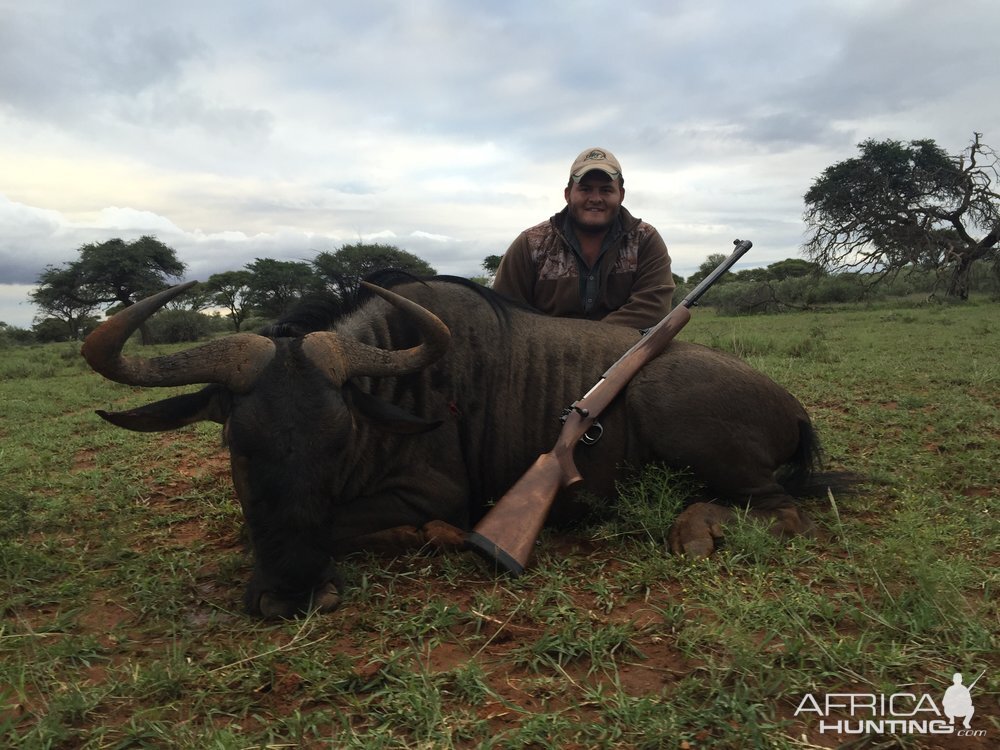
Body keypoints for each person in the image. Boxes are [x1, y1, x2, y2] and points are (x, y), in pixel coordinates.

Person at [493, 147, 675, 330]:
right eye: (585, 189)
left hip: (628, 351)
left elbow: (652, 309)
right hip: (545, 355)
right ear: (567, 194)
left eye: (605, 190)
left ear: (621, 195)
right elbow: (503, 313)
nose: (595, 198)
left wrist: (586, 343)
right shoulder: (530, 243)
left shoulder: (645, 239)